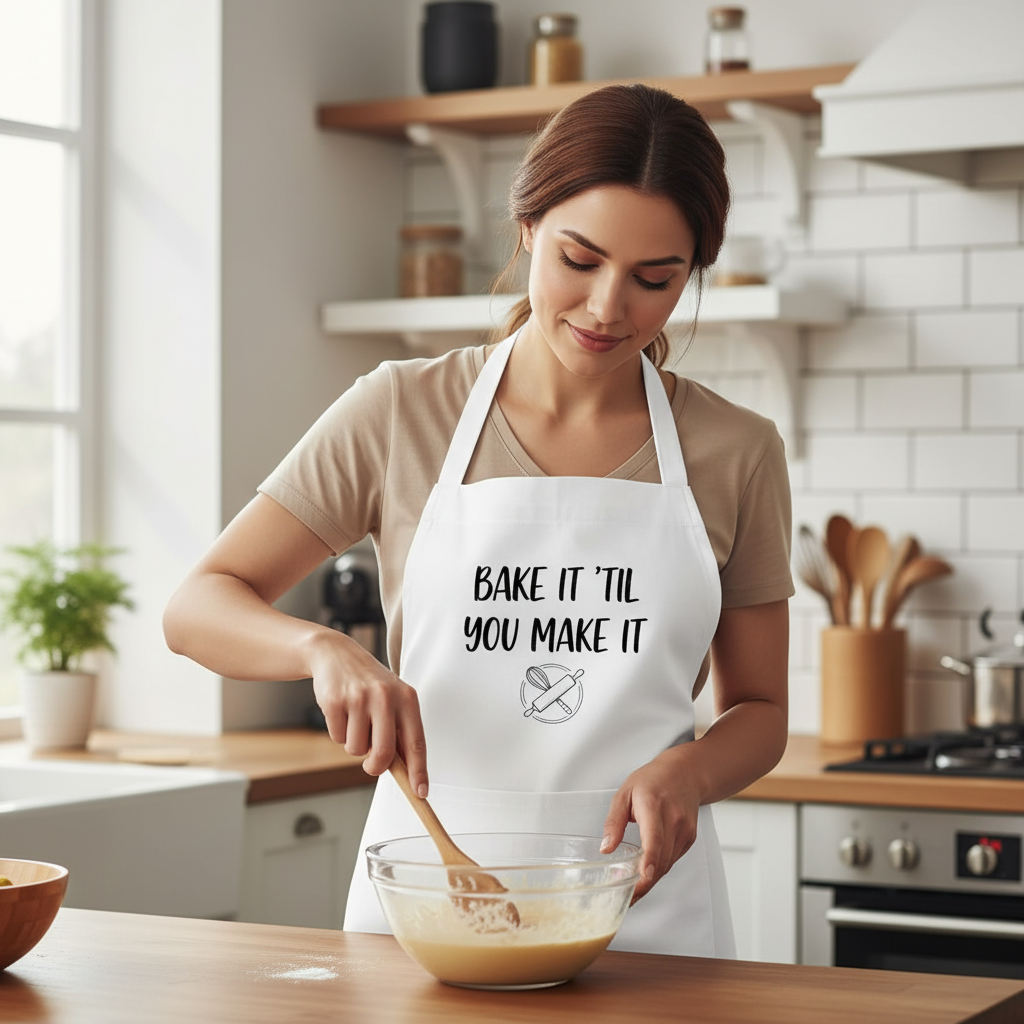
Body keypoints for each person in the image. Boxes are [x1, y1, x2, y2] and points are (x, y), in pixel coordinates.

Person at [163, 83, 792, 957]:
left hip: (647, 908)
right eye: (580, 258)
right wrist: (321, 649)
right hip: (431, 896)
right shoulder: (398, 411)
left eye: (656, 279)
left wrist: (692, 768)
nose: (611, 308)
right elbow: (196, 607)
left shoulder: (737, 448)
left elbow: (759, 710)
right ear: (528, 224)